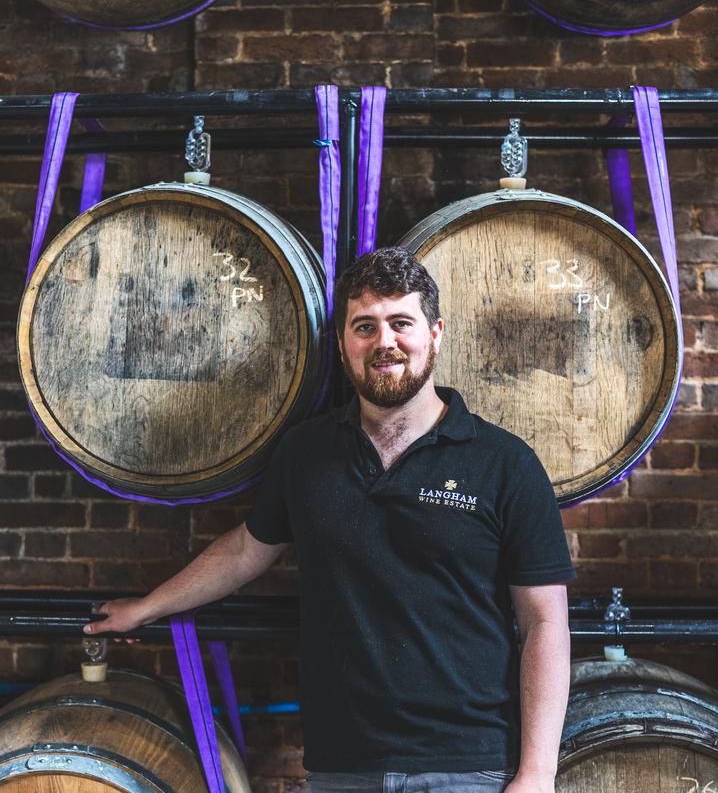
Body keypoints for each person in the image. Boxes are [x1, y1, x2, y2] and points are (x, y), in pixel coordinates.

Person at [85, 247, 575, 793]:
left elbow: (544, 623)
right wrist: (146, 607)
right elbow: (247, 550)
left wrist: (537, 773)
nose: (384, 342)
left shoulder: (504, 461)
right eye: (364, 326)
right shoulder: (306, 453)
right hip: (343, 764)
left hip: (469, 763)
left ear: (434, 333)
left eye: (401, 323)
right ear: (343, 346)